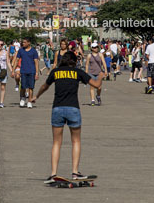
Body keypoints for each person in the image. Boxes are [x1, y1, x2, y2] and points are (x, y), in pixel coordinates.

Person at [32, 51, 103, 183]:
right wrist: (101, 76)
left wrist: (36, 96)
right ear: (74, 61)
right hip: (73, 109)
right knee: (75, 141)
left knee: (56, 142)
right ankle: (75, 172)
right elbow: (96, 85)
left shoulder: (55, 72)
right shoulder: (77, 72)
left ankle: (53, 174)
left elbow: (44, 86)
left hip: (57, 109)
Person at [16, 37, 39, 108]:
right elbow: (17, 60)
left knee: (31, 87)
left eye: (25, 42)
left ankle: (29, 101)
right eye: (23, 42)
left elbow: (36, 62)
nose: (23, 43)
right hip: (23, 71)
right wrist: (13, 70)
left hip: (32, 71)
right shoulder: (21, 50)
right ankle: (23, 98)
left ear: (29, 43)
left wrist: (37, 72)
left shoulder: (33, 51)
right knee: (23, 86)